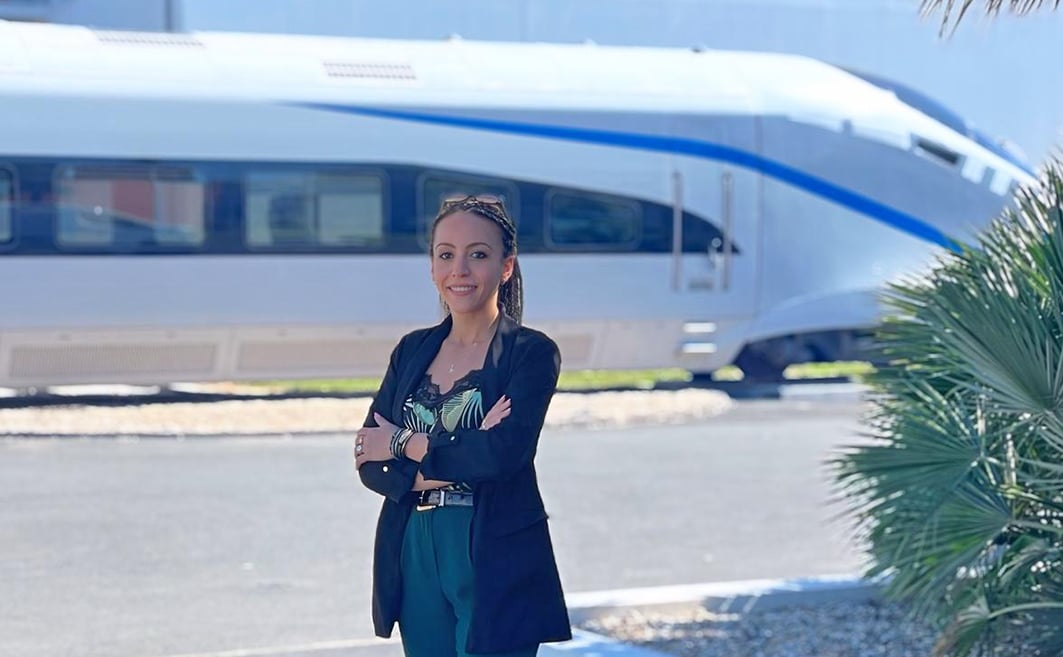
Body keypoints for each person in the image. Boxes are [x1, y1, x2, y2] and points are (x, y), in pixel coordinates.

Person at [353, 195, 571, 657]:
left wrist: (402, 442)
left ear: (506, 266)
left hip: (490, 545)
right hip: (413, 545)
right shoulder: (411, 350)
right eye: (446, 255)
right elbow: (369, 462)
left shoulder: (530, 353)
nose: (460, 270)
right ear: (432, 267)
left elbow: (502, 455)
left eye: (478, 254)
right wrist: (464, 449)